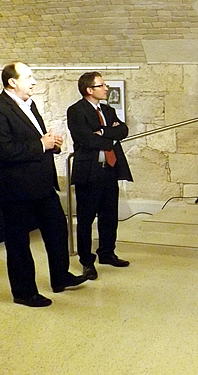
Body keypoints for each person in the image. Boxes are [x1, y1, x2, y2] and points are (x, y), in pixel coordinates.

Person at [0, 62, 88, 308]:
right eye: (28, 77)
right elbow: (3, 150)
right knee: (18, 243)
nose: (34, 82)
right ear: (12, 82)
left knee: (57, 231)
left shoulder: (30, 104)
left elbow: (36, 140)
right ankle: (24, 292)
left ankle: (60, 277)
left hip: (42, 184)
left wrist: (52, 144)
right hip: (15, 189)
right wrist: (41, 144)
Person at [67, 72, 133, 281]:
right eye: (102, 85)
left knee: (109, 215)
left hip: (109, 169)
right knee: (86, 219)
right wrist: (110, 136)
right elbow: (86, 140)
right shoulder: (76, 111)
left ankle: (107, 253)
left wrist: (103, 133)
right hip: (89, 172)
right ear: (89, 90)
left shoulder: (108, 110)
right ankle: (87, 261)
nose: (106, 88)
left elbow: (123, 130)